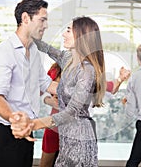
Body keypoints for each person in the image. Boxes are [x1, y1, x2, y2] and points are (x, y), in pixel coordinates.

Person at [10, 16, 106, 166]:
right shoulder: (68, 58)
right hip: (66, 137)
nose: (63, 34)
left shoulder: (87, 71)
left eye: (68, 30)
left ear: (81, 36)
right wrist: (26, 31)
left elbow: (72, 111)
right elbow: (47, 49)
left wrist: (35, 124)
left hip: (80, 140)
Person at [0, 0, 58, 167]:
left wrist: (76, 92)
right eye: (42, 19)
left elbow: (45, 83)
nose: (46, 26)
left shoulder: (34, 51)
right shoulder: (3, 52)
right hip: (6, 133)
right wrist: (14, 118)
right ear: (25, 18)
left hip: (27, 129)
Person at [40, 63, 130, 167]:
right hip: (55, 126)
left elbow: (110, 88)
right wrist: (49, 101)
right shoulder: (55, 69)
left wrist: (120, 78)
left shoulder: (90, 72)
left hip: (79, 128)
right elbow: (42, 90)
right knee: (46, 162)